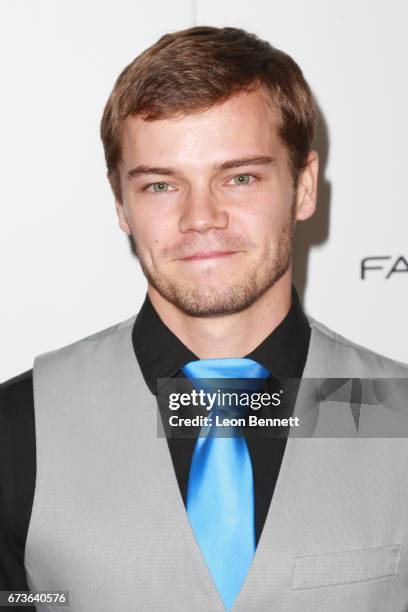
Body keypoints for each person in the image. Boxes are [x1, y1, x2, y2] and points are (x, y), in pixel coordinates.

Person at [1, 25, 408, 612]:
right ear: (121, 204)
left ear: (304, 187)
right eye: (163, 184)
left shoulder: (388, 411)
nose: (201, 217)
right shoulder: (18, 430)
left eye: (239, 177)